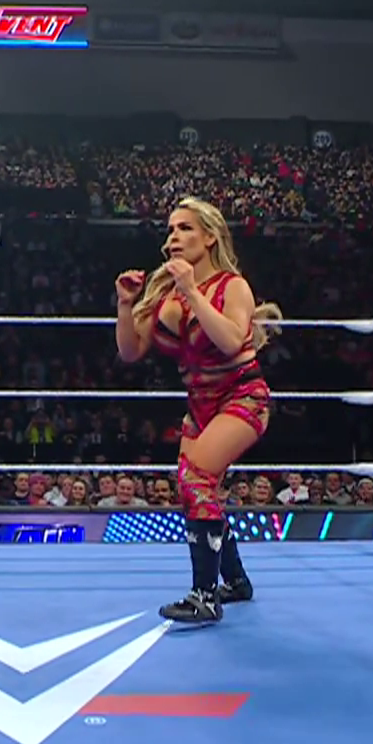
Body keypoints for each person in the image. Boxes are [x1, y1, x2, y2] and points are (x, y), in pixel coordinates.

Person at [113, 197, 283, 625]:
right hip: (200, 407)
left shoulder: (232, 286)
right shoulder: (162, 292)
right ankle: (236, 582)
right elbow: (130, 351)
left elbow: (231, 340)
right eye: (170, 229)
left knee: (196, 479)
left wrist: (191, 290)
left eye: (185, 228)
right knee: (195, 493)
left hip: (243, 397)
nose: (174, 237)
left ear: (209, 237)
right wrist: (125, 304)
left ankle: (205, 597)